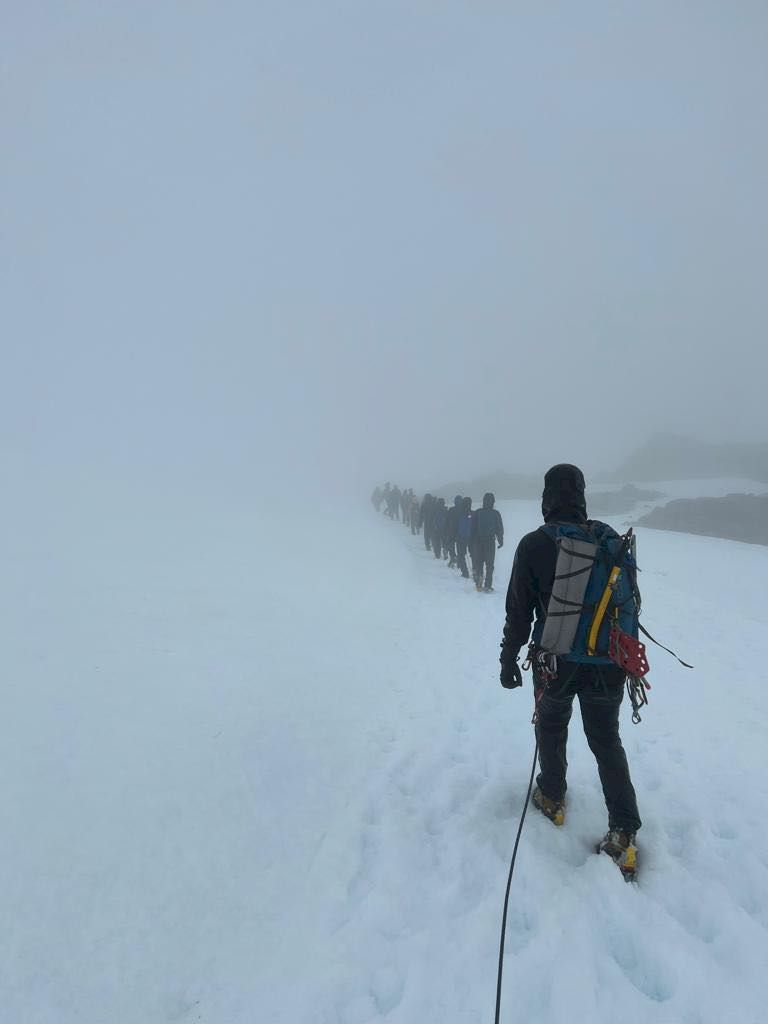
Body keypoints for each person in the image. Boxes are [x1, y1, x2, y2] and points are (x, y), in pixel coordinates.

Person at [498, 463, 641, 870]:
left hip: (555, 663)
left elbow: (519, 613)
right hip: (609, 663)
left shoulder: (535, 544)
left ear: (547, 499)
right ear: (581, 496)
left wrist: (508, 659)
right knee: (605, 739)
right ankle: (625, 834)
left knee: (551, 725)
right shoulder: (609, 541)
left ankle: (552, 795)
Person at [471, 492, 504, 591]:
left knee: (479, 562)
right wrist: (500, 540)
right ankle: (488, 585)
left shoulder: (477, 512)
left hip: (478, 541)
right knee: (489, 565)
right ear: (493, 502)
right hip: (490, 541)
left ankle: (479, 581)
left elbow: (473, 528)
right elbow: (499, 528)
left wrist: (471, 541)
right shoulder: (496, 513)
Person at [456, 496, 473, 578]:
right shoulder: (473, 513)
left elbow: (454, 526)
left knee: (461, 555)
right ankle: (476, 571)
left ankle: (465, 573)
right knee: (473, 555)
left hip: (460, 538)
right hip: (471, 538)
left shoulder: (458, 513)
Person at [444, 495, 462, 568]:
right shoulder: (464, 510)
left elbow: (447, 521)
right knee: (460, 547)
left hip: (451, 531)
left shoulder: (451, 510)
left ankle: (453, 558)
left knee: (451, 545)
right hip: (461, 532)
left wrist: (446, 530)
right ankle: (460, 561)